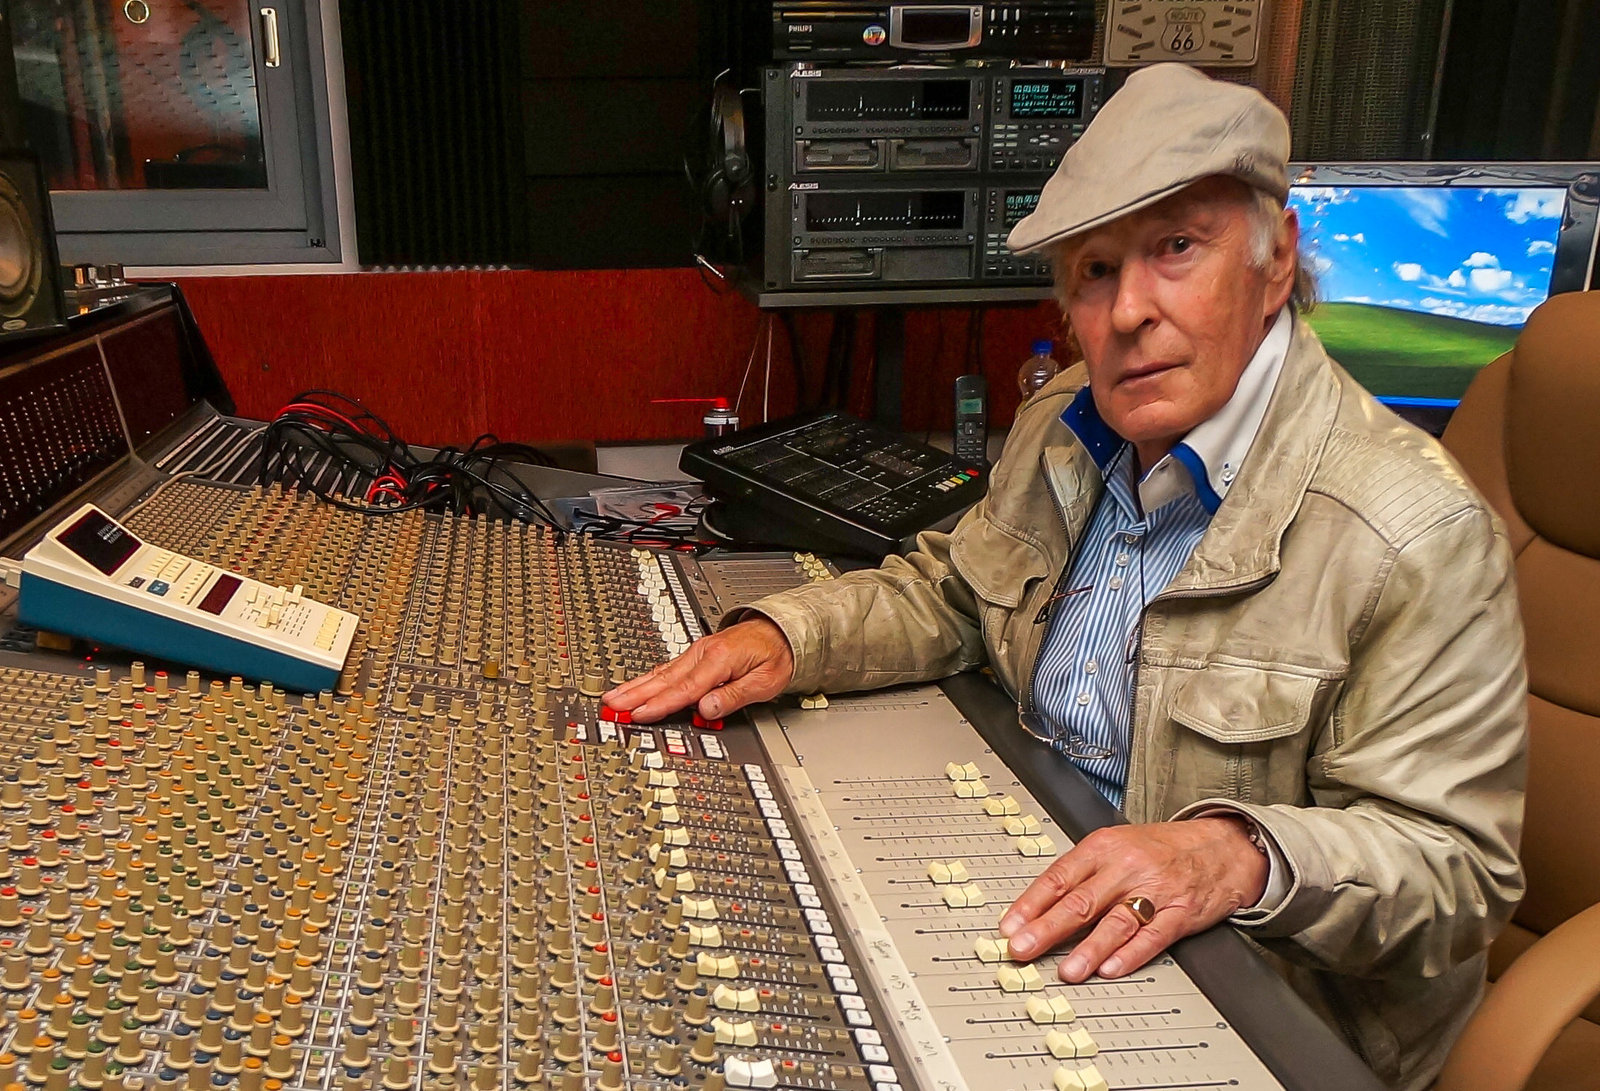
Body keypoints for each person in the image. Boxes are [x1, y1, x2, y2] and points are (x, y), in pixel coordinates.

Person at [604, 64, 1527, 1090]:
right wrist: (788, 636)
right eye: (1094, 269)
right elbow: (954, 593)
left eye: (1176, 247)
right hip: (1035, 865)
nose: (1127, 310)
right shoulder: (1065, 419)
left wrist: (1229, 856)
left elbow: (1456, 870)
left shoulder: (1416, 532)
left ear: (1274, 264)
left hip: (1258, 997)